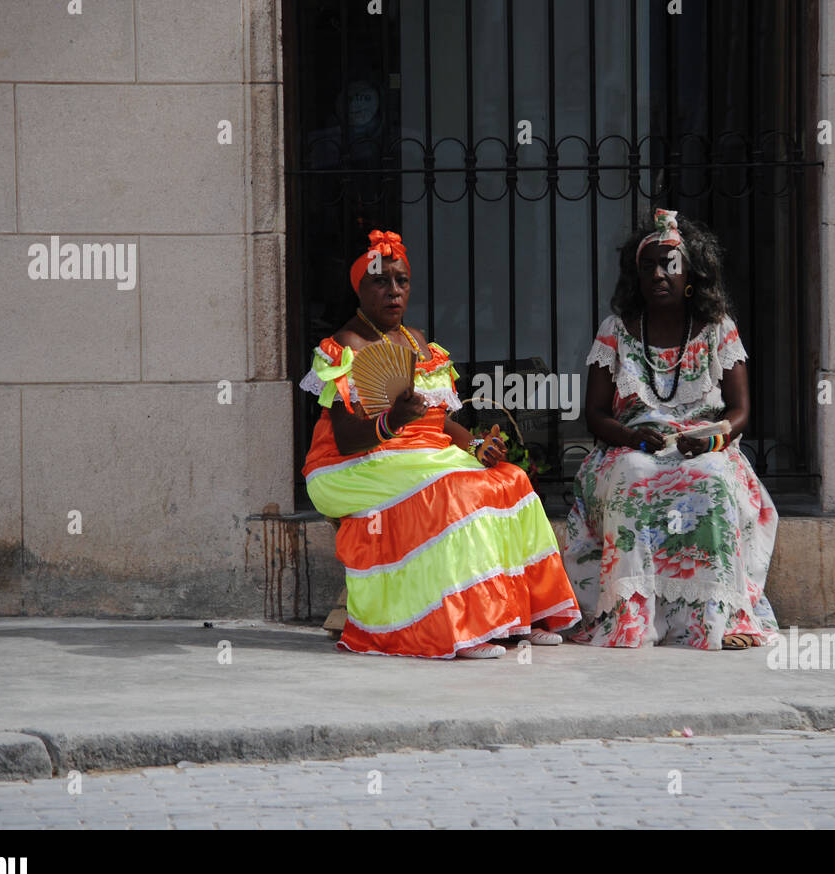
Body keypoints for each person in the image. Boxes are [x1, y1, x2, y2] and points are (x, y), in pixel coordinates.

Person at [300, 229, 581, 659]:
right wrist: (393, 419)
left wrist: (476, 448)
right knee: (455, 490)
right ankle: (462, 625)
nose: (393, 290)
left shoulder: (418, 342)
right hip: (355, 464)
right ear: (359, 289)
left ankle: (515, 617)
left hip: (425, 454)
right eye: (381, 280)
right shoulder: (344, 347)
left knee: (510, 479)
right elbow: (346, 438)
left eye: (402, 281)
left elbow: (443, 421)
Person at [562, 210, 780, 650]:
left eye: (671, 265)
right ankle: (630, 618)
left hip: (705, 443)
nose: (660, 274)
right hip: (633, 444)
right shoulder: (616, 333)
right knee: (633, 476)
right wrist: (629, 438)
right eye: (649, 267)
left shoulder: (719, 330)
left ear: (692, 275)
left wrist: (713, 440)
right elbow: (596, 414)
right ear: (636, 278)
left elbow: (740, 410)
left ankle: (717, 619)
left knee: (714, 479)